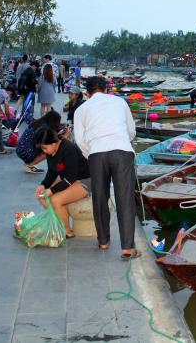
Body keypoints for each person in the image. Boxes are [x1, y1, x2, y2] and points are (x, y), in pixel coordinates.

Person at [74, 76, 139, 259]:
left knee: (100, 197)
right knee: (125, 198)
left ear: (87, 93)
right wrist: (122, 141)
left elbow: (80, 140)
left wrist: (92, 155)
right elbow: (131, 130)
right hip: (122, 151)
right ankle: (127, 247)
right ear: (106, 90)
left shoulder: (81, 109)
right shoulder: (119, 102)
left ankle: (103, 241)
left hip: (96, 153)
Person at [33, 126, 90, 238]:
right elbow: (52, 172)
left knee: (55, 199)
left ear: (54, 143)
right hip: (70, 179)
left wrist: (52, 190)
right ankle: (58, 223)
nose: (43, 152)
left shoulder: (68, 149)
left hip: (86, 180)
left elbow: (70, 178)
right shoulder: (51, 152)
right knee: (41, 196)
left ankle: (67, 232)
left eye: (44, 148)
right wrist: (43, 185)